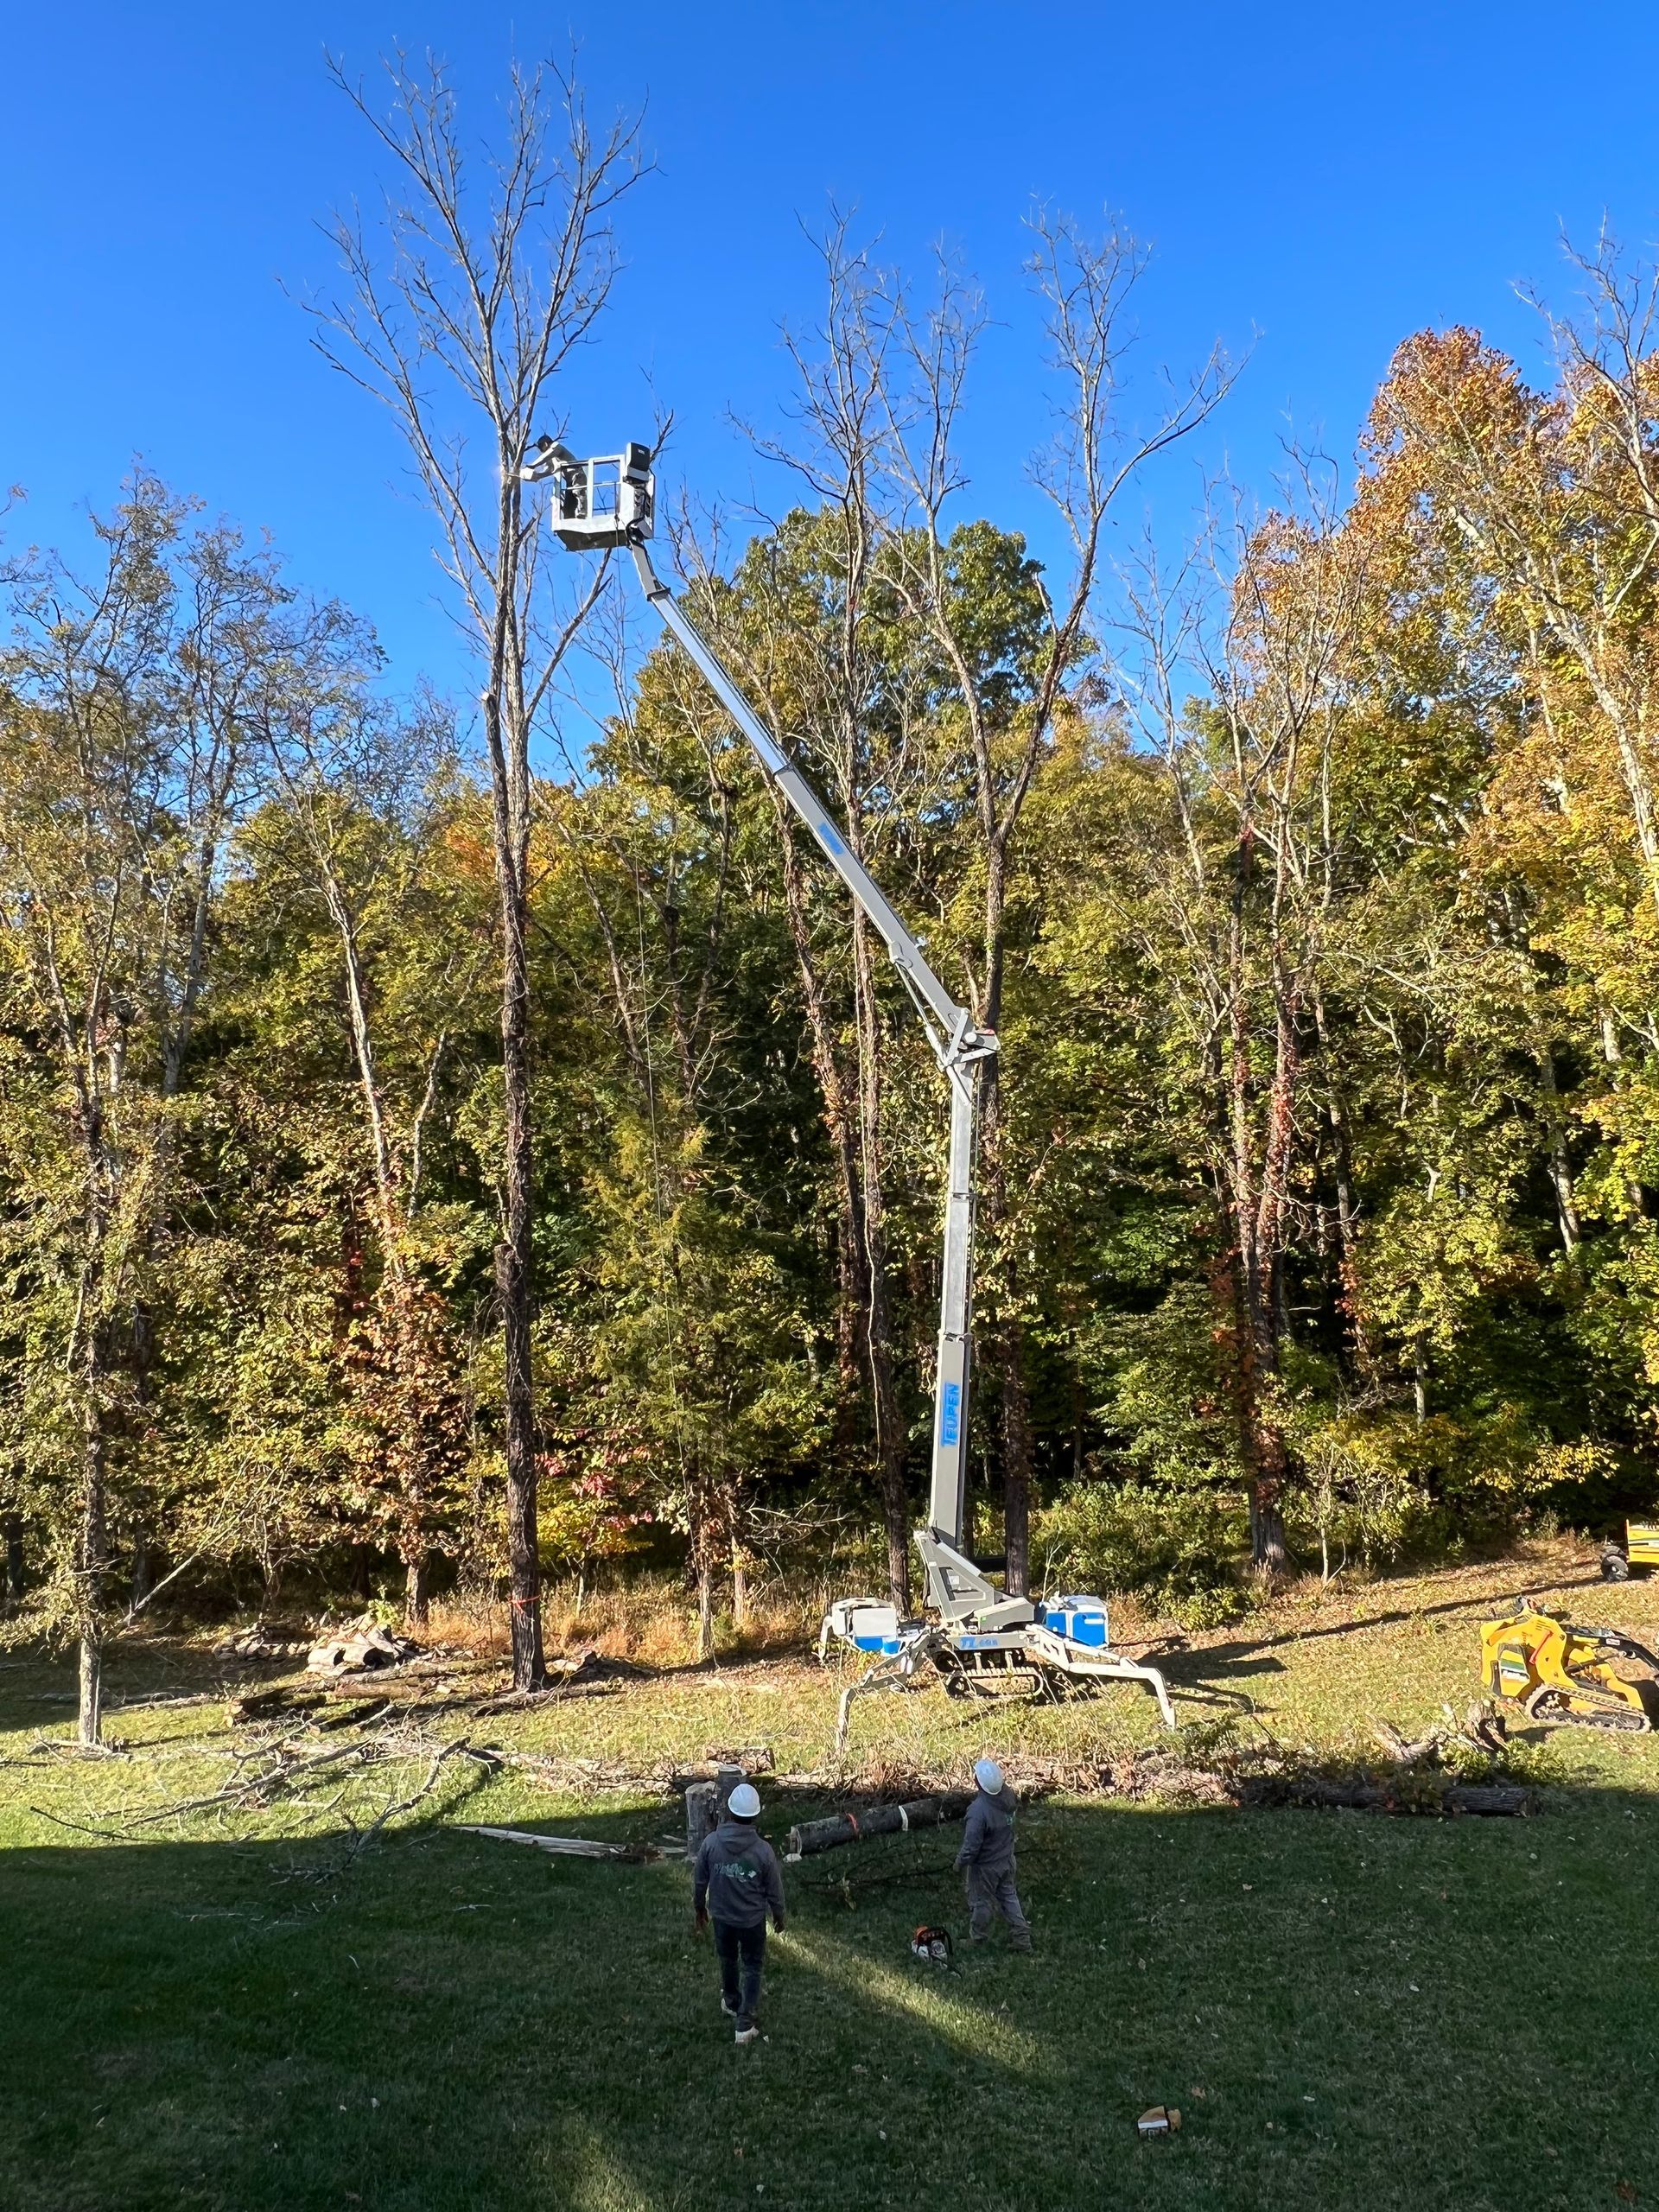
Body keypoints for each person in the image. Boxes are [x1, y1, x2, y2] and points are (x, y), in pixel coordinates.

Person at [693, 1781, 787, 2043]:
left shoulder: (711, 1843)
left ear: (730, 1812)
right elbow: (774, 1891)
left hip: (722, 1918)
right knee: (752, 1966)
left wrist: (700, 1908)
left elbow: (700, 1880)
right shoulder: (763, 1851)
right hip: (751, 1922)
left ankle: (732, 2001)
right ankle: (744, 2023)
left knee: (728, 1959)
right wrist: (779, 1916)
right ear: (756, 1815)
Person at [955, 1758, 1032, 1951]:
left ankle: (978, 1938)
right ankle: (1022, 1938)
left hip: (985, 1867)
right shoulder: (1009, 1798)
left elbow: (972, 1845)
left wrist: (960, 1862)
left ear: (977, 1782)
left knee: (981, 1901)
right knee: (1009, 1897)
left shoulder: (979, 1811)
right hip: (1007, 1859)